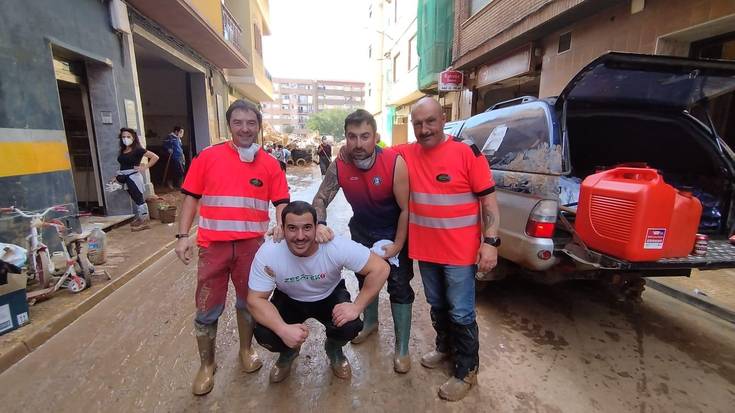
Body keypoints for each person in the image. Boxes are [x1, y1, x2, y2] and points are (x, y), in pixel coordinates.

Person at [174, 99, 290, 396]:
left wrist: (282, 225)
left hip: (252, 248)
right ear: (229, 126)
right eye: (238, 122)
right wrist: (182, 235)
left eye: (251, 123)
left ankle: (246, 349)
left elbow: (281, 202)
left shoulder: (270, 164)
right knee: (207, 307)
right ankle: (207, 364)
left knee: (249, 302)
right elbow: (190, 197)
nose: (245, 128)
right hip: (213, 248)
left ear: (259, 126)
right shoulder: (208, 157)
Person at [398, 97, 500, 401]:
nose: (424, 129)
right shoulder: (405, 154)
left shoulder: (466, 152)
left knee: (462, 312)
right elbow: (367, 154)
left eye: (430, 121)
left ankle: (467, 372)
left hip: (459, 253)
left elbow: (489, 200)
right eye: (418, 123)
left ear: (443, 119)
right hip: (426, 251)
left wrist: (491, 242)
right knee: (438, 304)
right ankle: (445, 349)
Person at [312, 109, 414, 373]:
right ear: (345, 138)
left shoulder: (394, 162)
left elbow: (406, 209)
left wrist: (399, 245)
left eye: (365, 136)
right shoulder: (340, 164)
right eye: (352, 137)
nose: (358, 144)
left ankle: (402, 348)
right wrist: (319, 224)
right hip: (361, 231)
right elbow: (321, 198)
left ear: (376, 137)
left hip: (393, 231)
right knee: (365, 281)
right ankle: (370, 324)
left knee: (399, 287)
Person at [247, 201, 390, 382]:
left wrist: (356, 306)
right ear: (282, 229)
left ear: (317, 227)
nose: (300, 236)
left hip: (329, 294)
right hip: (289, 298)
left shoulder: (334, 246)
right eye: (292, 228)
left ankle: (334, 349)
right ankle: (288, 353)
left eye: (307, 228)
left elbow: (380, 269)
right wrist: (282, 329)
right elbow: (255, 300)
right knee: (264, 332)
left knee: (351, 325)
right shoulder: (269, 252)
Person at [114, 128, 159, 231]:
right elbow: (123, 164)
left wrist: (144, 167)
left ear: (133, 138)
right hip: (124, 177)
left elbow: (155, 157)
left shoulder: (138, 149)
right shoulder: (123, 150)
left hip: (133, 177)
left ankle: (145, 221)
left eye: (128, 137)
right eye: (123, 137)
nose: (125, 139)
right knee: (135, 198)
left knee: (139, 199)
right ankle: (141, 218)